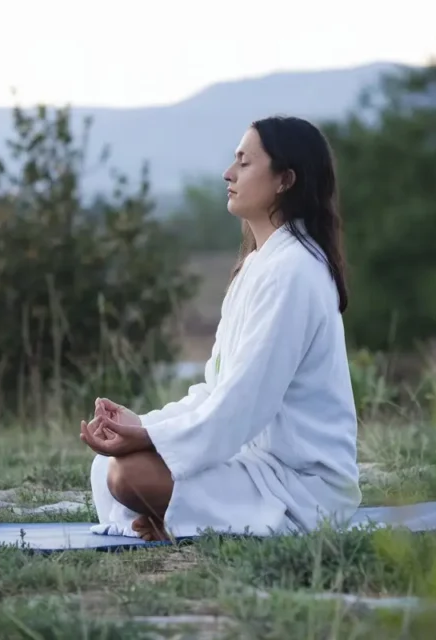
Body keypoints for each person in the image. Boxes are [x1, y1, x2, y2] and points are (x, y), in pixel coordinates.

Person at [79, 115, 361, 542]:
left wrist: (149, 438)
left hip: (303, 488)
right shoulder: (258, 266)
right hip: (255, 466)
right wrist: (143, 425)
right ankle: (172, 519)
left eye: (244, 163)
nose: (228, 174)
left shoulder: (294, 272)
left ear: (285, 179)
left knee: (129, 473)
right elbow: (216, 390)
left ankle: (176, 518)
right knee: (111, 468)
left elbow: (242, 403)